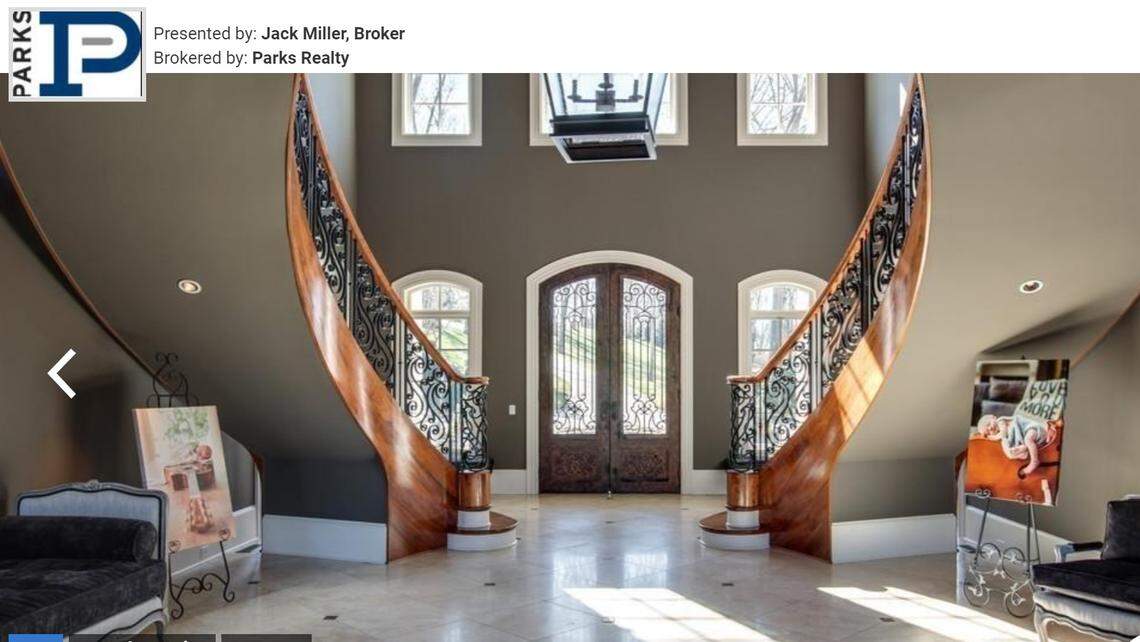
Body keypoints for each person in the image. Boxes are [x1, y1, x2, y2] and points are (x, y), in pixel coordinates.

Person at [976, 414, 1057, 477]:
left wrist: (992, 437)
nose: (990, 429)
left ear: (993, 417)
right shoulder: (1004, 438)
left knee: (1028, 440)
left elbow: (1003, 434)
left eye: (988, 424)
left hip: (1033, 429)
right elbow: (1006, 441)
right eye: (988, 432)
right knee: (1022, 446)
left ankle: (1034, 461)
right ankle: (1024, 449)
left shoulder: (1000, 421)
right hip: (1029, 435)